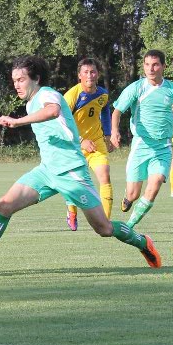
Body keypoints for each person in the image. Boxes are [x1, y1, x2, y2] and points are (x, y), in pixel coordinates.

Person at [0, 55, 161, 274]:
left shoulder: (47, 94)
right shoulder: (31, 103)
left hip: (71, 172)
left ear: (36, 79)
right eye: (14, 81)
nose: (16, 85)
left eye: (21, 80)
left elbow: (53, 111)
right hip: (46, 171)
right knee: (4, 205)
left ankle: (143, 242)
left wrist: (17, 121)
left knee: (104, 228)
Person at [111, 49, 173, 228]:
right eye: (147, 65)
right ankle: (128, 198)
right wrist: (114, 131)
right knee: (133, 194)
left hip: (163, 146)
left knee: (156, 182)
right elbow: (117, 111)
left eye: (155, 65)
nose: (150, 69)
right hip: (141, 144)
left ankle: (129, 226)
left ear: (163, 66)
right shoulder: (136, 88)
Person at [61, 58, 113, 231]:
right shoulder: (71, 96)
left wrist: (108, 135)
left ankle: (105, 222)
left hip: (96, 142)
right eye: (86, 72)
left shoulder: (103, 94)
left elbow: (105, 112)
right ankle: (71, 210)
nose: (89, 75)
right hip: (74, 144)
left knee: (105, 176)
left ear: (98, 74)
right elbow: (61, 122)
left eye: (93, 72)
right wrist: (81, 141)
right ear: (79, 76)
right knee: (74, 183)